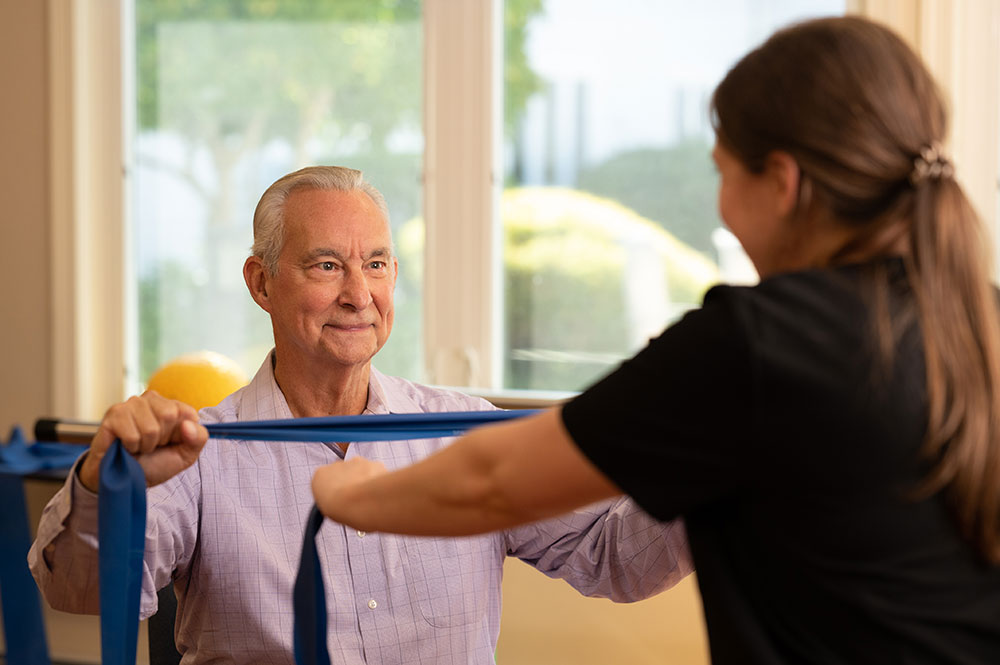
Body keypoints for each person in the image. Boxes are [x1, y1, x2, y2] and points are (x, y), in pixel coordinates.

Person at [308, 16, 1000, 664]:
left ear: (783, 183)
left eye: (724, 173)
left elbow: (491, 480)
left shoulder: (759, 343)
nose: (721, 204)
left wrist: (355, 495)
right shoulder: (981, 317)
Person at [28, 166, 692, 664]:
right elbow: (82, 593)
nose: (358, 294)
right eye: (327, 265)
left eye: (376, 264)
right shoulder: (197, 451)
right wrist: (99, 482)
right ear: (261, 282)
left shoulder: (465, 434)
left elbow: (613, 559)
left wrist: (721, 467)